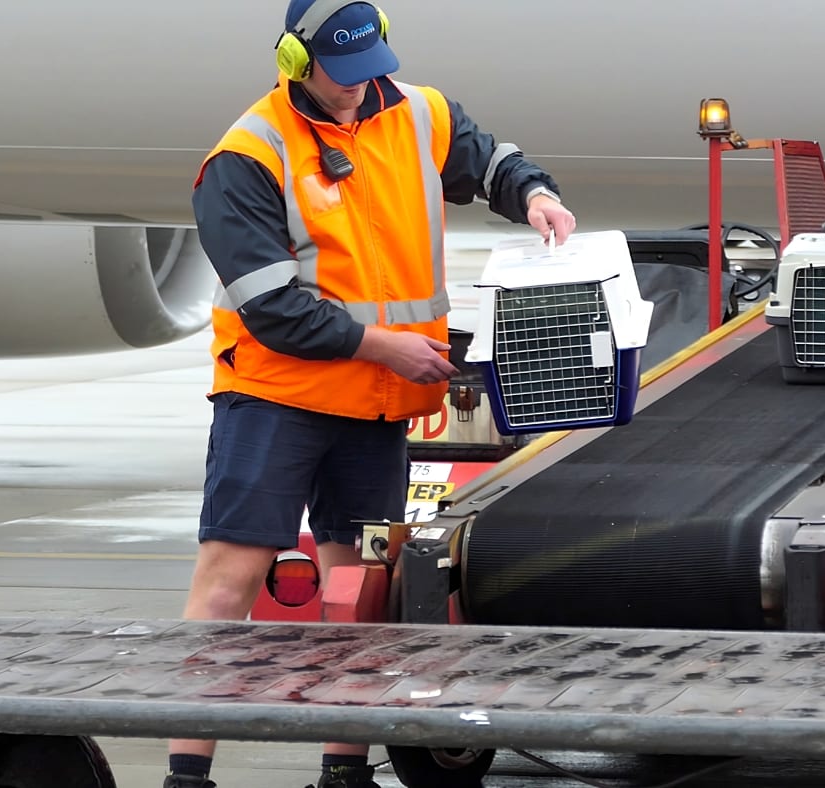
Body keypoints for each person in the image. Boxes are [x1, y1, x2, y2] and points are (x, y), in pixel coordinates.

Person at [164, 1, 575, 786]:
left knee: (358, 589)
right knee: (227, 582)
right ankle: (186, 775)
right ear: (295, 62)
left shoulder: (418, 112)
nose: (358, 87)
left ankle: (344, 771)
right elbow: (272, 307)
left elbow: (490, 160)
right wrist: (386, 346)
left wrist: (535, 196)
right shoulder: (247, 155)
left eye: (368, 68)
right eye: (340, 73)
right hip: (276, 395)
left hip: (376, 403)